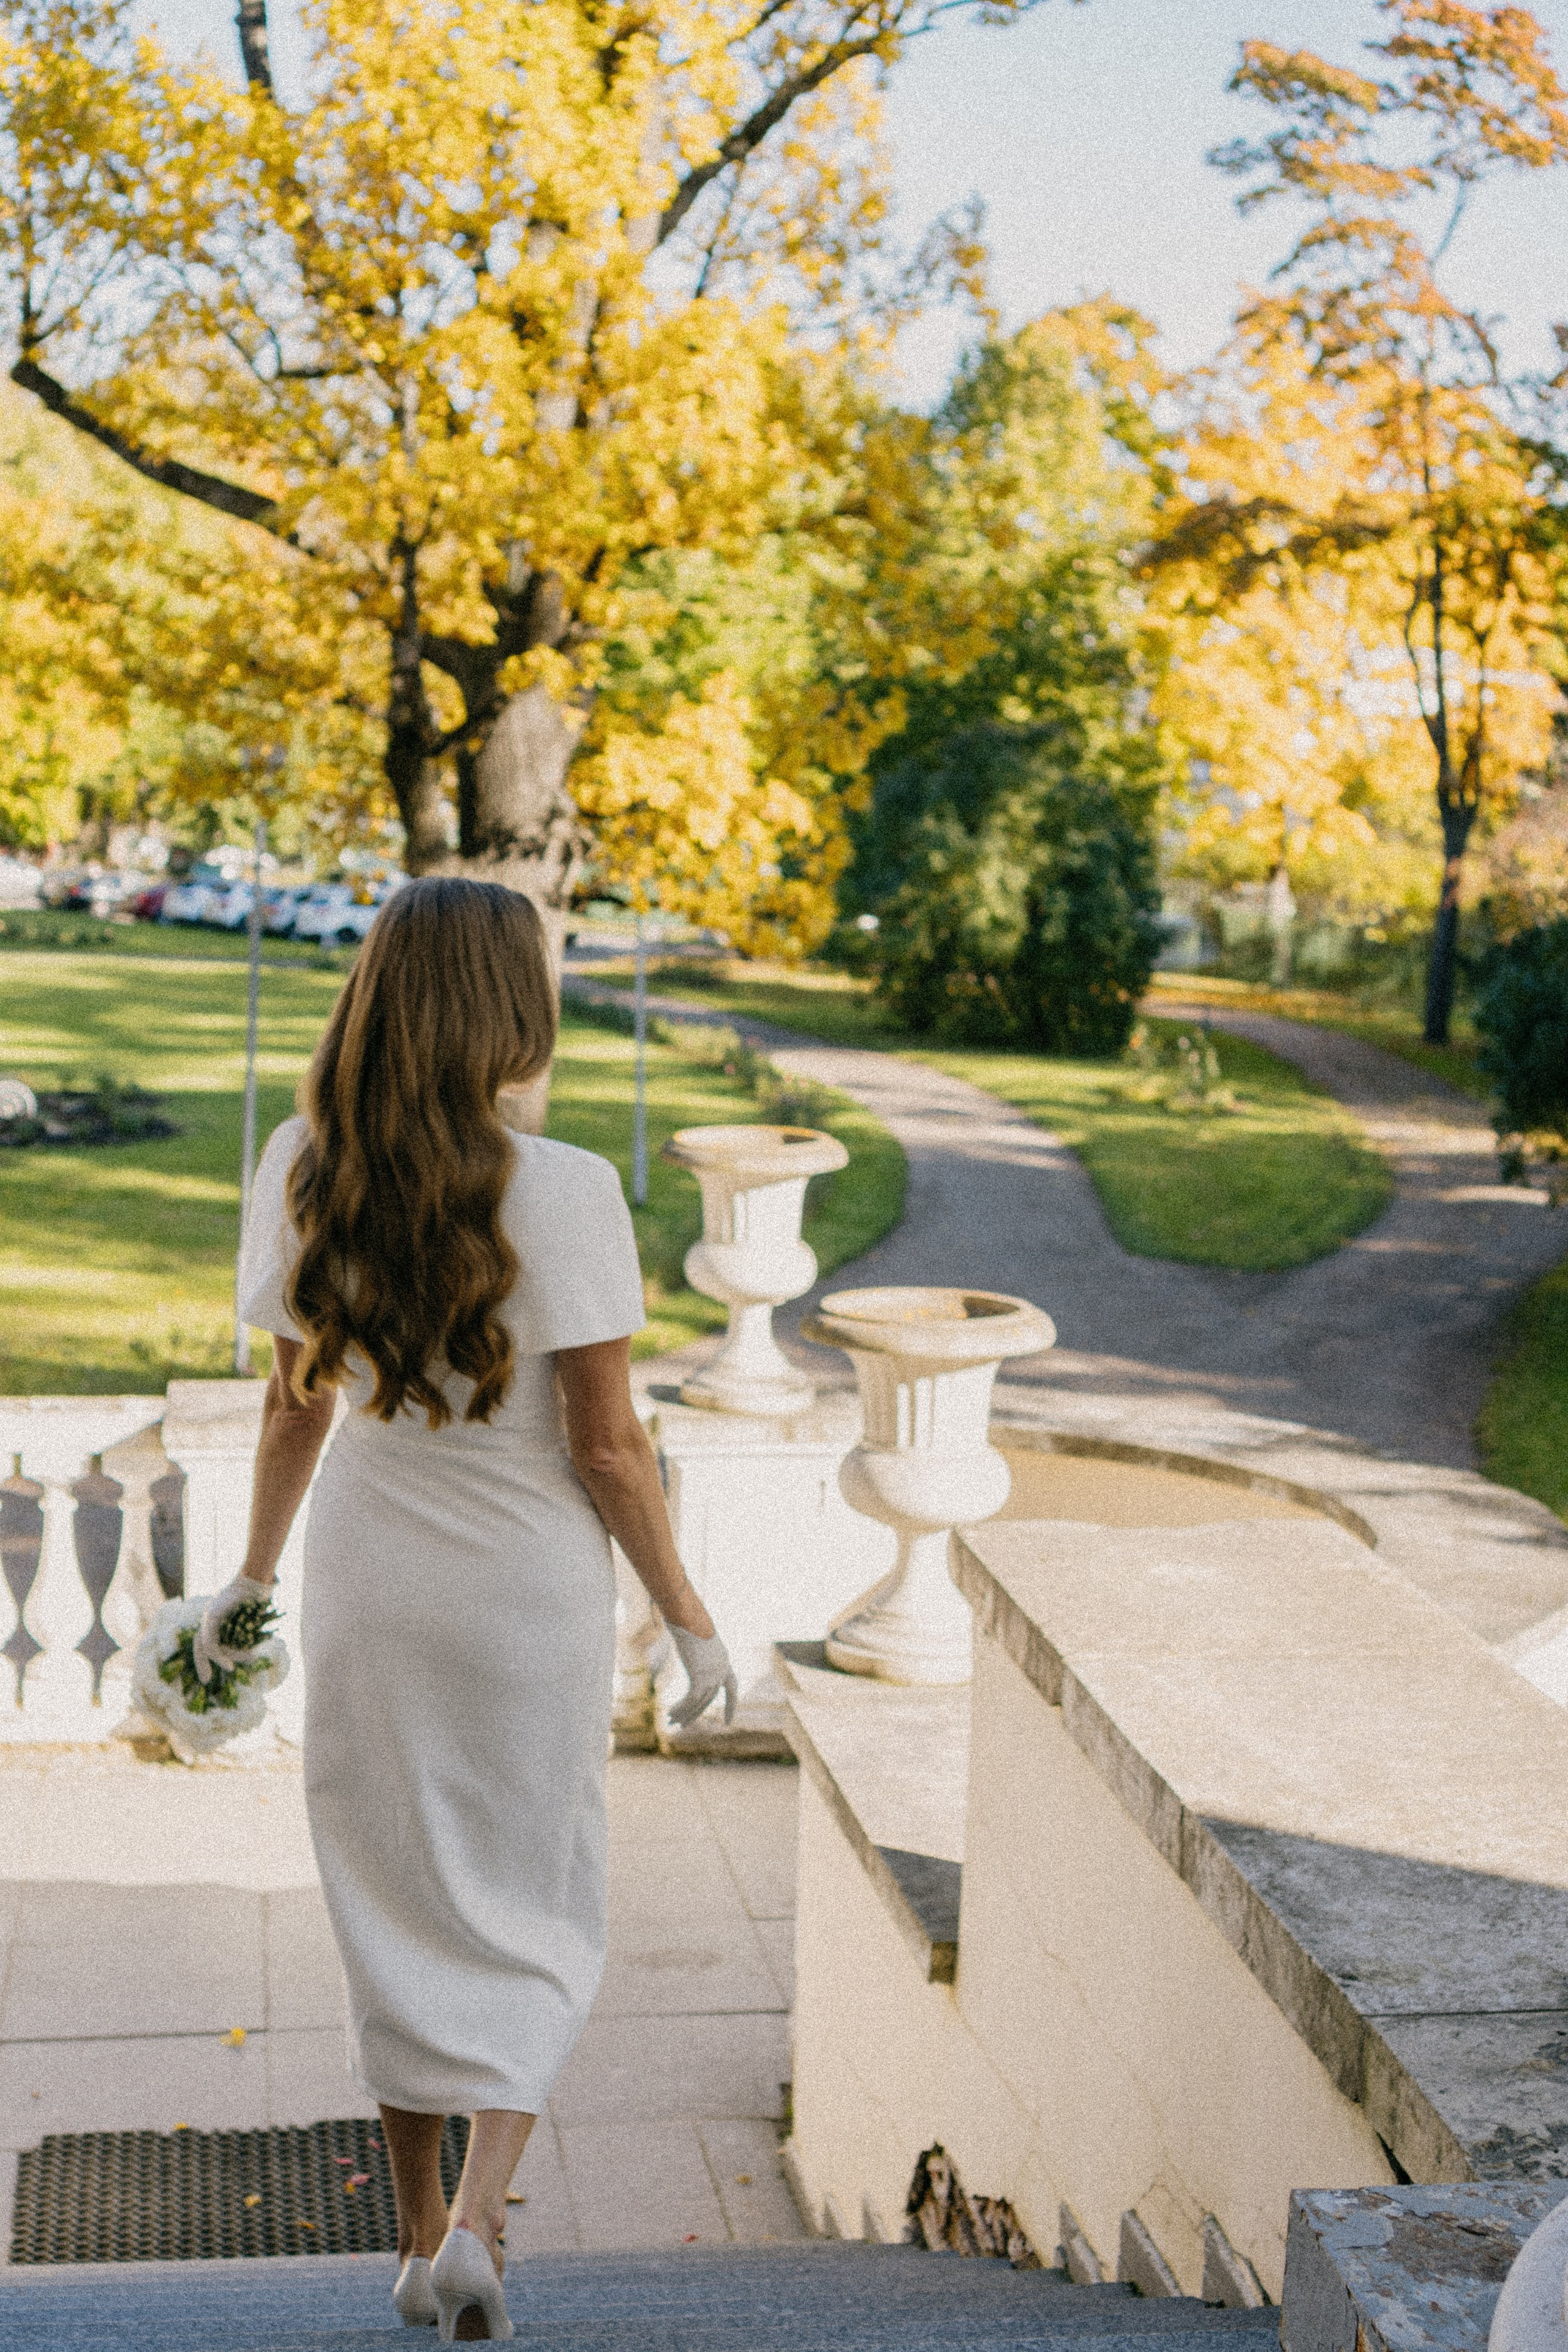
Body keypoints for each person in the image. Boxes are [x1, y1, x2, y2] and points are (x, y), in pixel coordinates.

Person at [194, 877, 735, 2342]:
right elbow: (607, 1449)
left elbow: (290, 1410)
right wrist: (689, 1620)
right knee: (530, 1896)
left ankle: (417, 2230)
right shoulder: (562, 1190)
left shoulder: (307, 1164)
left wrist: (247, 1583)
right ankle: (483, 2225)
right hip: (522, 1604)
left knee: (394, 1897)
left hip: (372, 1583)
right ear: (508, 1005)